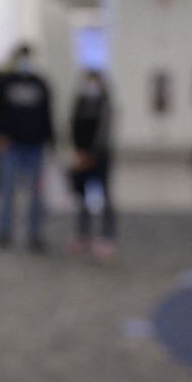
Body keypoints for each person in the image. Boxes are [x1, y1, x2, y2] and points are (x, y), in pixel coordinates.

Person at [0, 42, 55, 251]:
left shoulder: (40, 84)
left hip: (35, 145)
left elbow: (47, 114)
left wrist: (50, 140)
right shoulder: (5, 83)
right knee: (8, 191)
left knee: (37, 194)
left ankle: (34, 233)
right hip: (12, 145)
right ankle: (4, 231)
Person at [67, 69, 116, 259]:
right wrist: (80, 152)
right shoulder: (80, 102)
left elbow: (104, 131)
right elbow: (73, 126)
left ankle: (106, 235)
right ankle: (83, 234)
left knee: (104, 196)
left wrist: (92, 154)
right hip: (82, 156)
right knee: (82, 197)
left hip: (100, 156)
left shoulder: (104, 104)